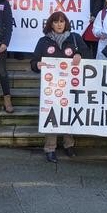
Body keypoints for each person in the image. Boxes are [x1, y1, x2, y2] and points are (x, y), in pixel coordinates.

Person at [31, 11, 90, 163]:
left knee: (68, 114)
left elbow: (88, 55)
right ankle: (50, 148)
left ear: (66, 23)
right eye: (56, 22)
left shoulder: (75, 38)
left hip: (71, 84)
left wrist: (80, 56)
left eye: (62, 22)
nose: (59, 24)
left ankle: (68, 145)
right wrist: (37, 65)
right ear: (51, 24)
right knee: (52, 115)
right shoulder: (43, 41)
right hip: (51, 87)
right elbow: (34, 63)